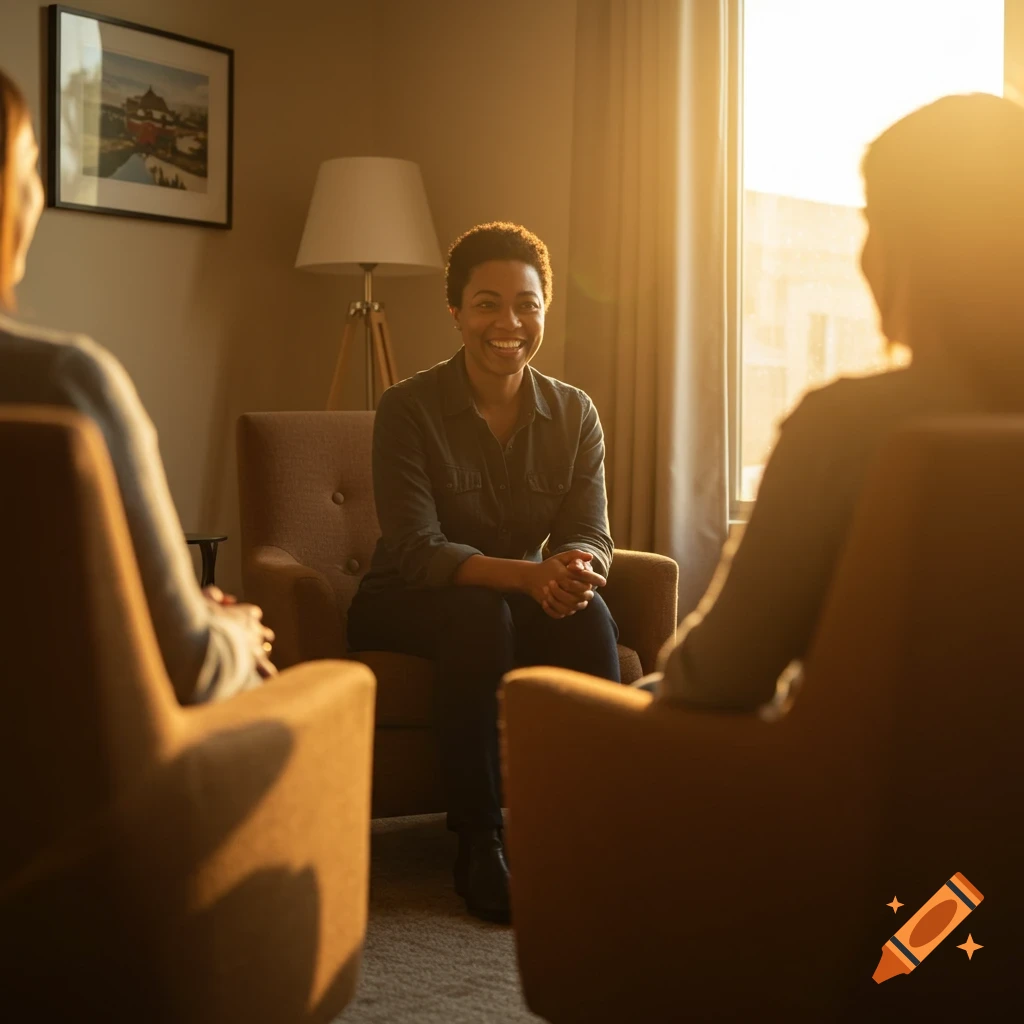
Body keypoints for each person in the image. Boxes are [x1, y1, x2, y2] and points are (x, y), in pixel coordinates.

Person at [651, 92, 1024, 711]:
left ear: (912, 249)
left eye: (873, 221)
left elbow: (718, 678)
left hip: (850, 792)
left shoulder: (847, 429)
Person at [347, 221, 622, 922]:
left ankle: (590, 828)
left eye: (526, 304)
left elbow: (590, 529)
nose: (509, 322)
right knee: (477, 613)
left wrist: (574, 569)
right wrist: (530, 578)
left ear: (545, 310)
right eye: (487, 303)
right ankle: (480, 840)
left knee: (588, 613)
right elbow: (416, 548)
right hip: (405, 599)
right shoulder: (407, 409)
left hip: (509, 600)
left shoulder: (575, 412)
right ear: (457, 313)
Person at [0, 68, 274, 702]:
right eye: (32, 165)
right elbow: (192, 669)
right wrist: (231, 629)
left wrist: (182, 616)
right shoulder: (64, 384)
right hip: (65, 782)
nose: (37, 194)